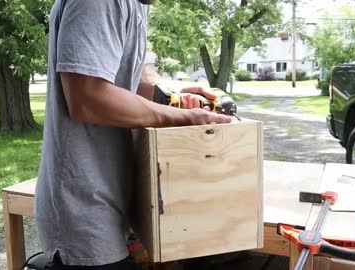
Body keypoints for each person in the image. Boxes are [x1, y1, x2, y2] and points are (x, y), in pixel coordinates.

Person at [34, 0, 232, 269]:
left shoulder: (136, 4)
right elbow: (87, 96)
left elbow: (121, 78)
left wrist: (173, 94)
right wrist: (185, 117)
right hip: (85, 210)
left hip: (113, 197)